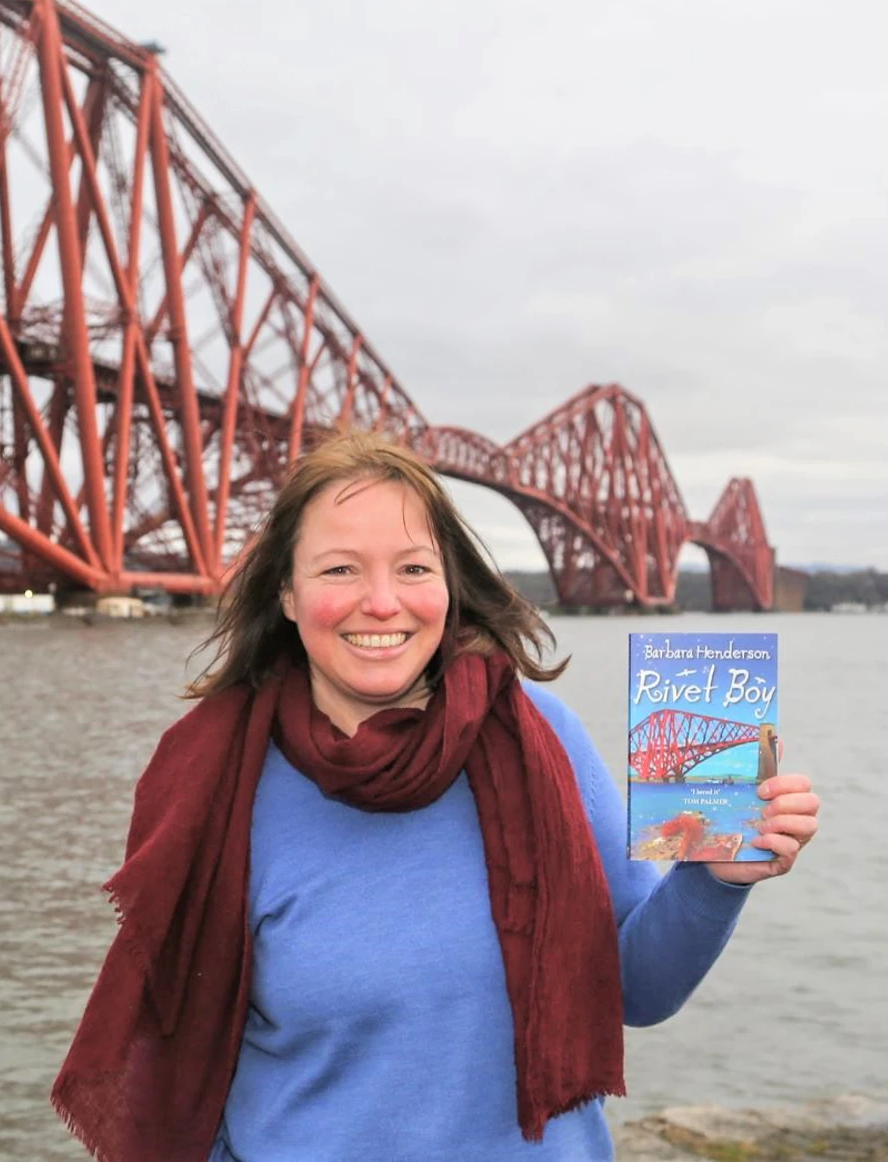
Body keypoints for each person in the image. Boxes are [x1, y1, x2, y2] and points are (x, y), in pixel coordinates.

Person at [51, 431, 821, 1162]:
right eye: (340, 570)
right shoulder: (211, 784)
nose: (382, 602)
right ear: (286, 593)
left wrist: (714, 878)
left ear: (451, 586)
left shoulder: (541, 736)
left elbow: (641, 991)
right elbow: (177, 1057)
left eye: (414, 569)